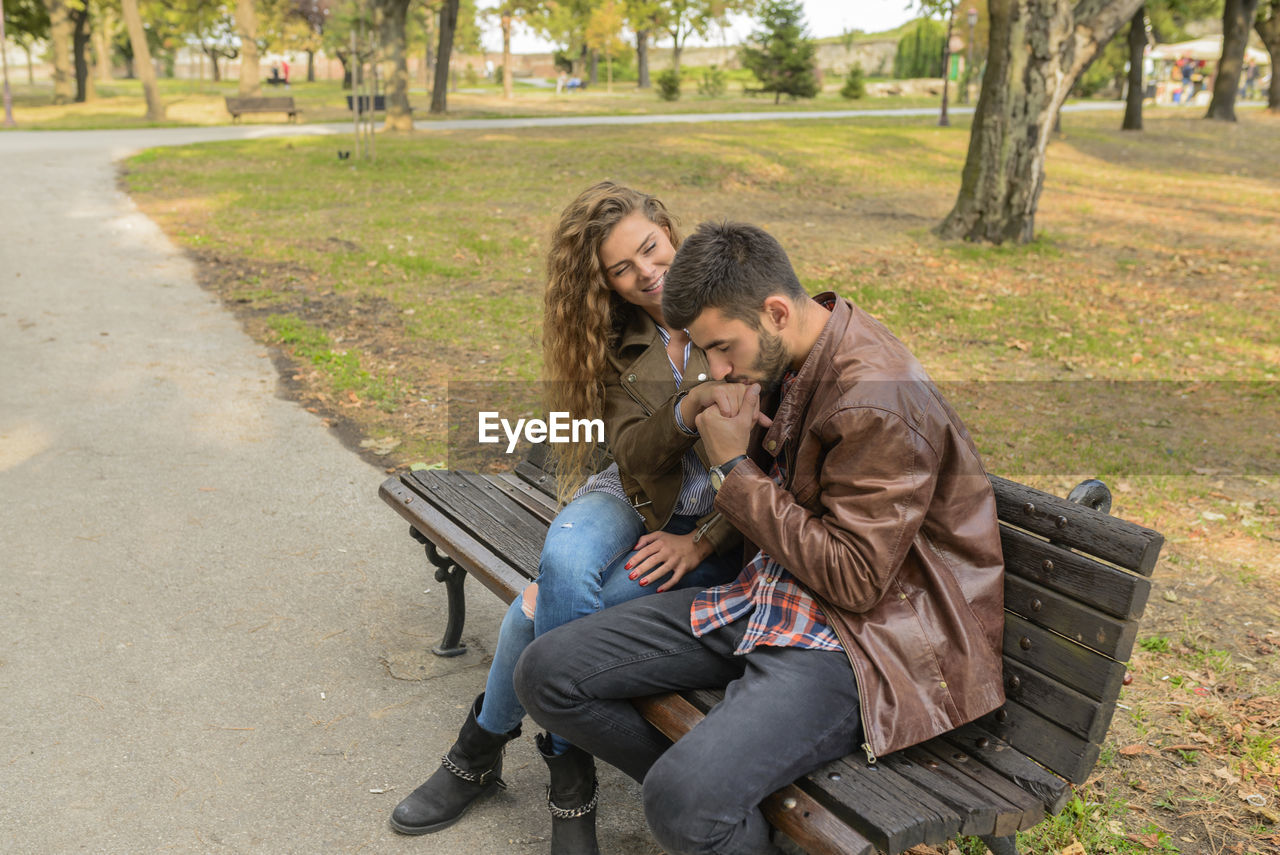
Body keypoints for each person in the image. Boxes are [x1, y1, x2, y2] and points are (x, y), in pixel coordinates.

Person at [515, 221, 1007, 855]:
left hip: (860, 641)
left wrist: (730, 470)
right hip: (766, 594)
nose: (717, 370)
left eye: (723, 349)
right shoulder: (798, 344)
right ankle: (724, 807)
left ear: (776, 312)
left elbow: (856, 581)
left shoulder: (876, 403)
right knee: (548, 671)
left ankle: (703, 800)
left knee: (679, 802)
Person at [389, 184, 742, 852]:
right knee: (566, 559)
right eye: (622, 268)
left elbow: (763, 468)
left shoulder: (732, 297)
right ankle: (563, 767)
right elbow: (634, 455)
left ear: (669, 230)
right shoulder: (620, 336)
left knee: (532, 611)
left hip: (710, 528)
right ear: (606, 281)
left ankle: (498, 757)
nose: (646, 273)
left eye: (650, 248)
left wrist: (697, 541)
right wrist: (682, 411)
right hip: (635, 493)